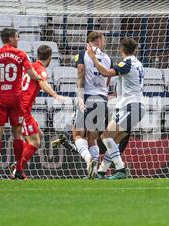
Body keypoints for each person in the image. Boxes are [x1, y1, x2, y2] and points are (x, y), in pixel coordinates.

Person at [0, 28, 44, 180]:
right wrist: (40, 80)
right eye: (16, 37)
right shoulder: (21, 54)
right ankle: (19, 169)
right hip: (16, 99)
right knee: (17, 133)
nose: (18, 39)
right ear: (9, 38)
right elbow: (31, 74)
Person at [52, 31, 112, 178]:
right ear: (98, 41)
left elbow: (80, 72)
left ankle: (88, 160)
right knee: (93, 138)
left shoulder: (82, 54)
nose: (103, 42)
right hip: (102, 99)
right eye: (102, 39)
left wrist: (79, 96)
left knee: (78, 135)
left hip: (87, 97)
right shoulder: (107, 58)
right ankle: (96, 171)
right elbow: (109, 78)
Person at [86, 38, 145, 180]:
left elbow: (106, 72)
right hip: (134, 107)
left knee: (105, 136)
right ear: (135, 50)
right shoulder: (139, 63)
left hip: (131, 107)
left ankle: (121, 169)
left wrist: (93, 57)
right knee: (114, 141)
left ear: (121, 49)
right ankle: (101, 172)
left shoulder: (126, 63)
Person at [10, 45, 65, 179]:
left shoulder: (30, 66)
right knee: (34, 142)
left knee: (39, 136)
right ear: (50, 58)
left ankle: (17, 165)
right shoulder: (41, 70)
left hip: (21, 107)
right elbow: (42, 83)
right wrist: (56, 95)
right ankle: (18, 169)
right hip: (22, 110)